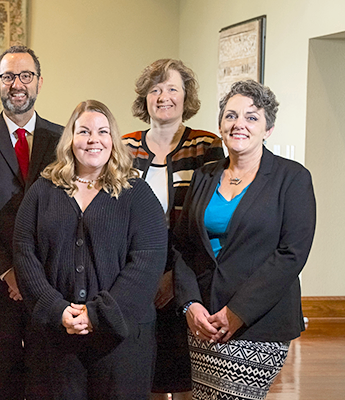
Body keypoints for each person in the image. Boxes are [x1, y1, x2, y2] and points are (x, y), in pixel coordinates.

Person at [13, 100, 167, 399]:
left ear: (113, 140)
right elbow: (24, 252)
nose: (93, 139)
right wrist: (57, 310)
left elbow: (147, 261)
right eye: (83, 131)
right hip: (56, 339)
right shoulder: (44, 189)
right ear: (70, 139)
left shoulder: (136, 193)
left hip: (120, 341)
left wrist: (97, 314)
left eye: (102, 132)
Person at [173, 80, 316, 400]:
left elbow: (292, 254)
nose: (239, 124)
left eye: (252, 117)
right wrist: (189, 304)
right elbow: (183, 247)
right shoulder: (204, 175)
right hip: (204, 320)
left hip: (260, 321)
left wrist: (237, 311)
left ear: (269, 128)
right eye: (231, 115)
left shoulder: (292, 178)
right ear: (220, 125)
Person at [0, 45, 63, 400]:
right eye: (8, 76)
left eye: (25, 76)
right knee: (1, 381)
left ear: (39, 82)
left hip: (49, 283)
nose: (17, 84)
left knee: (45, 378)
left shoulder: (64, 139)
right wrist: (8, 271)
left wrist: (33, 275)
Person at [122, 58, 224, 400]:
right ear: (144, 98)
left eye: (172, 89)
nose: (163, 96)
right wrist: (146, 275)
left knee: (185, 374)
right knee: (145, 371)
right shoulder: (125, 146)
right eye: (155, 89)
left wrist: (174, 279)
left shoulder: (205, 145)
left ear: (186, 96)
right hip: (135, 270)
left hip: (188, 267)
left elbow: (206, 214)